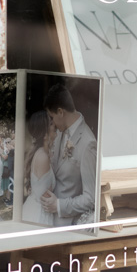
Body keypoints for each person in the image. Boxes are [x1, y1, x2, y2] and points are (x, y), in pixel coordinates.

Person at [40, 84, 98, 226]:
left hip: (66, 223)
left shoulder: (88, 143)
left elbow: (91, 198)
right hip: (46, 218)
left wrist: (59, 206)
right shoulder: (59, 132)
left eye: (52, 117)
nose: (52, 123)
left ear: (60, 112)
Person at [21, 111, 55, 226]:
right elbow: (46, 196)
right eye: (51, 124)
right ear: (44, 134)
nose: (54, 125)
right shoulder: (42, 157)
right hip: (39, 214)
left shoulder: (42, 153)